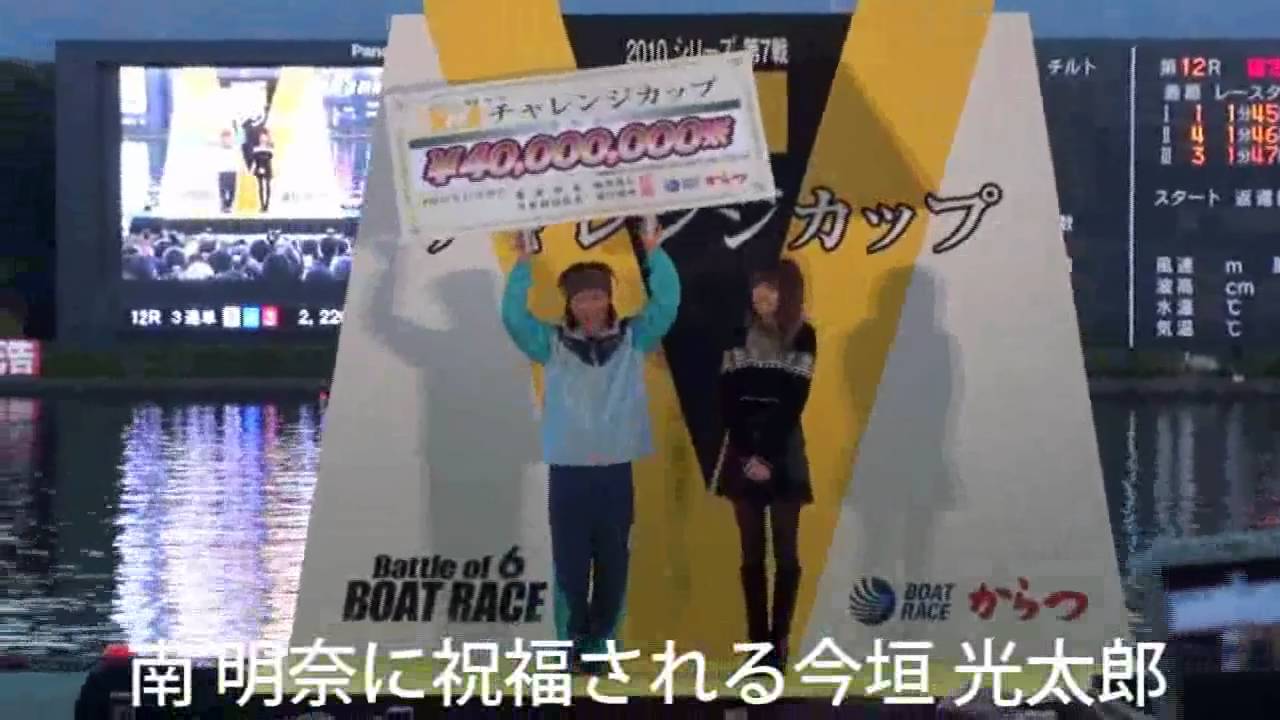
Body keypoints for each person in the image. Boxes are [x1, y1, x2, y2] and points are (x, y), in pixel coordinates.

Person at [500, 217, 680, 674]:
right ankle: (570, 644)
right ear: (570, 302)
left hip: (615, 470)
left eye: (596, 296)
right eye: (580, 298)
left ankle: (601, 646)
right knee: (570, 564)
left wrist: (654, 253)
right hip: (569, 470)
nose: (589, 306)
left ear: (609, 298)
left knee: (614, 562)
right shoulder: (551, 342)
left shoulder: (634, 336)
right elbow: (514, 318)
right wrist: (523, 263)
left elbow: (667, 304)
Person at [711, 258, 816, 671]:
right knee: (751, 553)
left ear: (787, 292)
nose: (761, 295)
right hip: (742, 449)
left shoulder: (802, 334)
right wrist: (746, 454)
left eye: (770, 287)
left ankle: (779, 642)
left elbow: (794, 399)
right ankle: (757, 645)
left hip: (783, 449)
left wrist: (767, 456)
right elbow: (727, 398)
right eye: (757, 286)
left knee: (786, 553)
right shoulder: (737, 333)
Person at [250, 128, 275, 213]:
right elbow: (254, 160)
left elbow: (269, 158)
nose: (263, 138)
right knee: (260, 187)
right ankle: (262, 205)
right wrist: (254, 169)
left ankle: (266, 206)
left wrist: (264, 167)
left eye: (265, 136)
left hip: (267, 167)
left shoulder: (270, 147)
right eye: (261, 136)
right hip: (258, 168)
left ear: (267, 137)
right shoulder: (256, 148)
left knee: (268, 186)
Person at [216, 129, 240, 213]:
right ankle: (223, 205)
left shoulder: (235, 149)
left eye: (228, 138)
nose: (227, 140)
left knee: (232, 190)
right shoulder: (219, 150)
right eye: (225, 138)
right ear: (222, 139)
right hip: (222, 171)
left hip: (232, 171)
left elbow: (237, 160)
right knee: (222, 189)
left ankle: (229, 205)